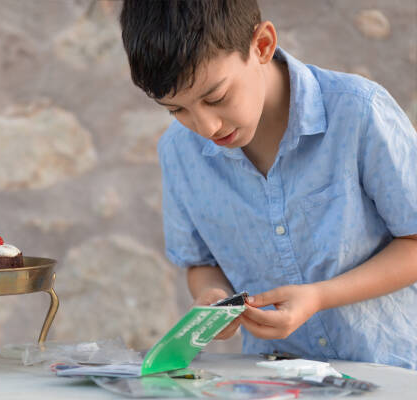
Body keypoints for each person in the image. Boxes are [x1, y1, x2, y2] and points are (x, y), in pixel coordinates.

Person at [119, 0, 417, 369]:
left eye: (216, 97)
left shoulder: (358, 111)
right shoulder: (179, 152)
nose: (206, 127)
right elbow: (200, 263)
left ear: (262, 45)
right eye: (177, 110)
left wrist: (319, 297)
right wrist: (213, 298)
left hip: (391, 374)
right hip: (273, 380)